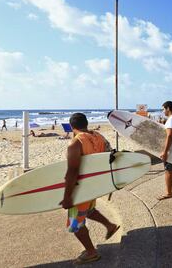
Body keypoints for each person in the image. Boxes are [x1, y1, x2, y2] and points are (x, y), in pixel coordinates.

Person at [60, 113, 119, 265]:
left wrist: (67, 197)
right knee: (89, 210)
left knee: (75, 224)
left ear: (72, 127)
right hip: (94, 186)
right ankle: (110, 225)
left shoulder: (75, 143)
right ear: (86, 124)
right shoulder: (99, 136)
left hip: (81, 190)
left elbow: (72, 171)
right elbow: (110, 156)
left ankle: (91, 252)